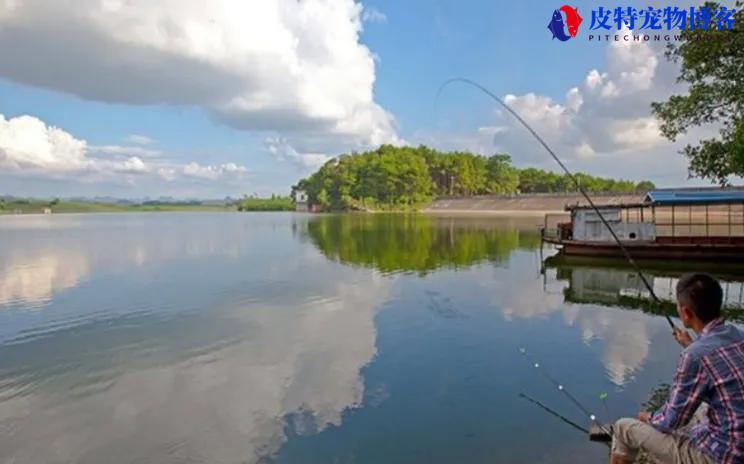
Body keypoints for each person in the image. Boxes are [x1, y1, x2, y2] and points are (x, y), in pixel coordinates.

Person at [610, 273, 744, 464]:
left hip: (725, 457)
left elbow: (672, 420)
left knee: (623, 428)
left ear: (686, 313)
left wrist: (649, 416)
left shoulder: (694, 356)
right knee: (702, 407)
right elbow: (716, 361)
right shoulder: (738, 335)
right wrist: (690, 344)